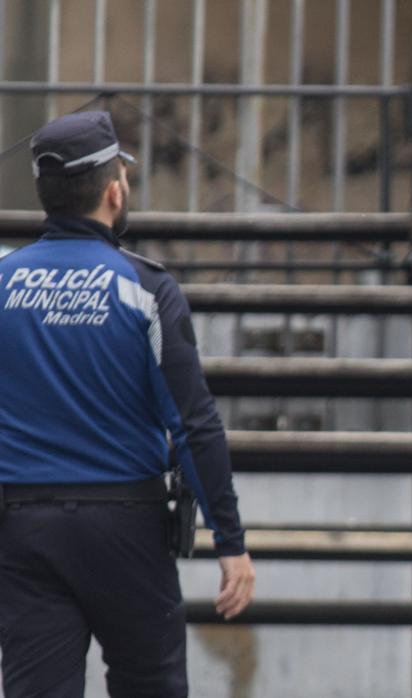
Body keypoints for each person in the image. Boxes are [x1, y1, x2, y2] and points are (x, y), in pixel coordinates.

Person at [0, 111, 255, 697]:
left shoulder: (6, 282)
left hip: (23, 527)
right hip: (127, 529)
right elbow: (194, 424)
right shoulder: (146, 290)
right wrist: (230, 539)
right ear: (115, 191)